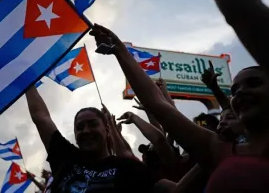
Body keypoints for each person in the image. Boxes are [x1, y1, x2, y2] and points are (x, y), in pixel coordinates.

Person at [89, 24, 269, 192]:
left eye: (254, 83)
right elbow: (158, 106)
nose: (241, 92)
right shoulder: (219, 150)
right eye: (235, 90)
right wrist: (120, 50)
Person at [25, 87, 154, 193]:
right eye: (80, 127)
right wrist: (24, 72)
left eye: (93, 124)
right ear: (75, 134)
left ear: (107, 130)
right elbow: (40, 116)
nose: (86, 131)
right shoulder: (66, 157)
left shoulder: (129, 168)